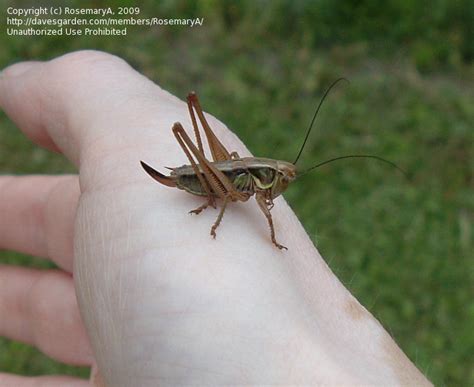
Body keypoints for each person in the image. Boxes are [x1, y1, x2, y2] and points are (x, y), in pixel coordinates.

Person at [0, 51, 431, 386]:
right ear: (274, 175)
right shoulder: (255, 188)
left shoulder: (262, 188)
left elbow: (262, 203)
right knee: (225, 170)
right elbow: (256, 202)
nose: (281, 185)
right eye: (281, 178)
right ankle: (211, 192)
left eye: (283, 178)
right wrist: (220, 202)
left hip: (223, 178)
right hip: (207, 179)